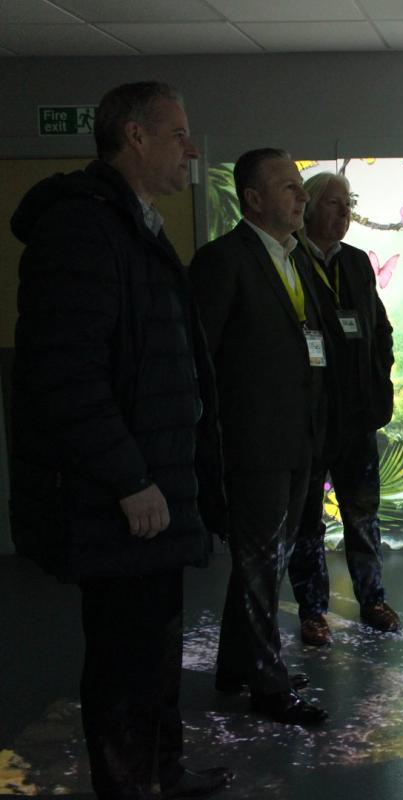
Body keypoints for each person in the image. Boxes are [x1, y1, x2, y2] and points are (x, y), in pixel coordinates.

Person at [9, 81, 232, 799]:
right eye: (178, 135)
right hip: (122, 499)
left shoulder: (132, 223)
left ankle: (159, 774)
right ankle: (131, 787)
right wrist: (130, 480)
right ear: (134, 137)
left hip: (153, 487)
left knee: (154, 653)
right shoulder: (81, 228)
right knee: (124, 661)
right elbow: (66, 377)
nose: (191, 151)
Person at [190, 149, 329, 726]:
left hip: (295, 439)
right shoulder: (223, 261)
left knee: (265, 563)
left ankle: (235, 667)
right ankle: (269, 688)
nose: (301, 197)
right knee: (258, 563)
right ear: (253, 198)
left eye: (301, 188)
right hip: (252, 445)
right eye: (289, 188)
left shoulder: (294, 258)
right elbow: (201, 361)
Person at [287, 172, 399, 647]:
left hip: (356, 415)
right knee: (306, 519)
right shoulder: (287, 258)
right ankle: (313, 611)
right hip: (308, 419)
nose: (343, 212)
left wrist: (378, 380)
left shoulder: (355, 262)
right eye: (333, 203)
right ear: (308, 207)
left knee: (362, 513)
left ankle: (372, 599)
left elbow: (380, 328)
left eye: (347, 203)